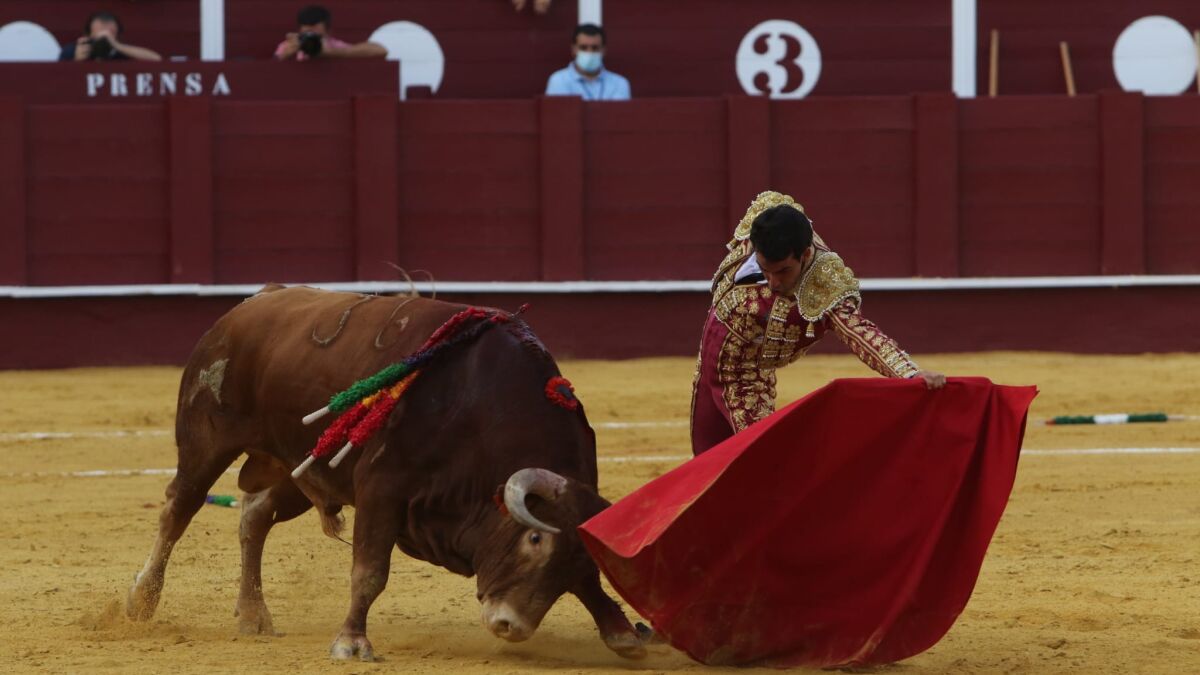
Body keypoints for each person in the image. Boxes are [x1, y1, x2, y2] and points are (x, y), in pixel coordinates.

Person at [690, 190, 946, 455]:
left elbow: (860, 333)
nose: (773, 282)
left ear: (804, 254)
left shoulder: (824, 285)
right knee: (704, 458)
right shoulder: (767, 217)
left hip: (747, 374)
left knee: (761, 456)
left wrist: (909, 374)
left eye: (783, 271)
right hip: (708, 354)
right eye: (765, 270)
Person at [545, 24, 630, 101]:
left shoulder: (619, 84)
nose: (589, 52)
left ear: (603, 50)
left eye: (595, 48)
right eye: (583, 47)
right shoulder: (559, 81)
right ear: (574, 49)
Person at [274, 5, 387, 61]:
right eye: (308, 34)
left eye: (316, 35)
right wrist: (286, 56)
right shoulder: (290, 45)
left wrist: (331, 53)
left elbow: (381, 51)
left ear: (328, 32)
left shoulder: (334, 46)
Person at [58, 11, 162, 62]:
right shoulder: (73, 49)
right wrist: (77, 60)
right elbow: (59, 77)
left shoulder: (121, 51)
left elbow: (156, 59)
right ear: (88, 34)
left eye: (109, 35)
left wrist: (116, 46)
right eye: (98, 35)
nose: (103, 39)